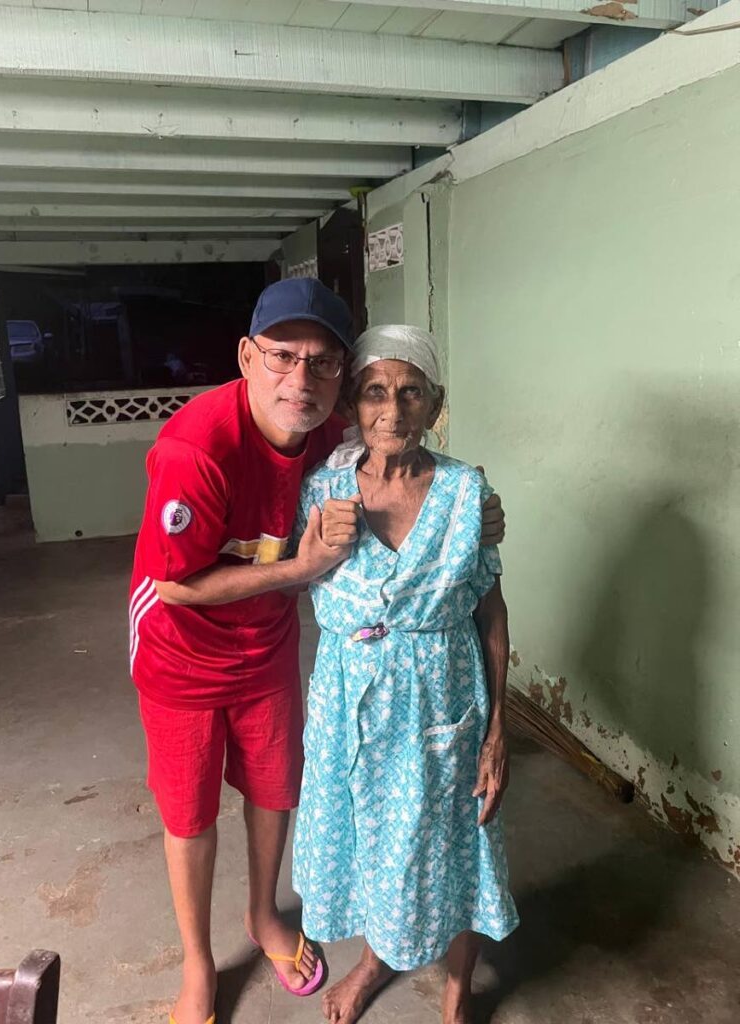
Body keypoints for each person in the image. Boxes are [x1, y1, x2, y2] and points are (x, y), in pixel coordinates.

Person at [129, 280, 507, 1024]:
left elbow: (482, 586)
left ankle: (289, 926)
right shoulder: (231, 457)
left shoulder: (420, 480)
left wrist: (499, 725)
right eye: (282, 357)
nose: (299, 378)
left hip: (305, 659)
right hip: (191, 659)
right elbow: (173, 586)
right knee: (199, 812)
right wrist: (303, 568)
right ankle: (204, 965)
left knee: (297, 798)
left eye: (322, 362)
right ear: (249, 357)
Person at [292, 324, 519, 1024]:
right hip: (348, 707)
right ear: (353, 405)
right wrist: (313, 547)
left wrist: (497, 732)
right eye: (375, 393)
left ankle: (457, 991)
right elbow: (294, 581)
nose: (393, 410)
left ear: (436, 403)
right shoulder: (323, 490)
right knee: (369, 845)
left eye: (411, 392)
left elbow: (492, 615)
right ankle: (372, 962)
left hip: (441, 702)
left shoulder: (465, 494)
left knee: (457, 844)